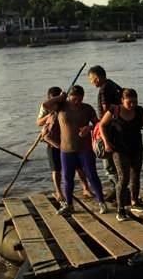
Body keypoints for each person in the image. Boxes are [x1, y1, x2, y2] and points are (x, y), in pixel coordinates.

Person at [42, 85, 108, 216]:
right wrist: (60, 97)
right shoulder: (60, 107)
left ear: (83, 97)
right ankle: (69, 205)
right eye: (74, 99)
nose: (77, 102)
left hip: (85, 149)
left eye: (80, 99)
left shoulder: (87, 108)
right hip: (66, 150)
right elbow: (45, 105)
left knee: (92, 175)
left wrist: (89, 128)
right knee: (67, 178)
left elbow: (98, 123)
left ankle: (101, 202)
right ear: (69, 97)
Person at [98, 88, 143, 222]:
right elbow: (102, 125)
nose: (132, 105)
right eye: (129, 102)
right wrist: (106, 142)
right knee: (123, 178)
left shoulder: (140, 111)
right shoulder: (114, 110)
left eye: (135, 102)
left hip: (136, 148)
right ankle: (120, 209)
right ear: (122, 100)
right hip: (119, 150)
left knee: (136, 176)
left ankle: (135, 202)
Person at [88, 65, 123, 185]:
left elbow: (105, 109)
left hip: (108, 128)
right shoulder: (113, 84)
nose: (91, 82)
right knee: (117, 159)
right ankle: (121, 186)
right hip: (118, 126)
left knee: (108, 161)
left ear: (96, 78)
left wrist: (101, 125)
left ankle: (116, 187)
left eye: (91, 79)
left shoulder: (103, 90)